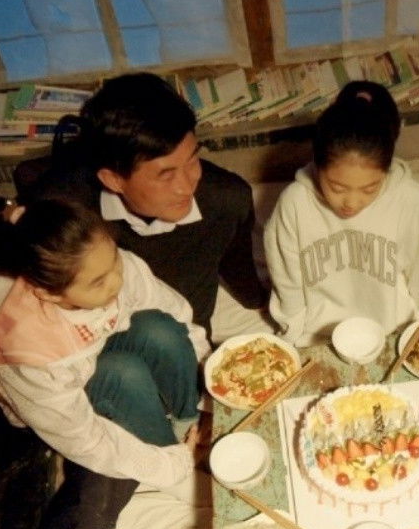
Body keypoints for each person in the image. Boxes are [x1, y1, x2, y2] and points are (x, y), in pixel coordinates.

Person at [0, 196, 209, 529]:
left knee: (158, 328)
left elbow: (173, 312)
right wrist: (171, 465)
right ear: (48, 293)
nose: (117, 280)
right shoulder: (28, 345)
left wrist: (207, 376)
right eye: (99, 282)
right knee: (124, 377)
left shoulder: (109, 268)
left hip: (94, 348)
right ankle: (172, 457)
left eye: (114, 262)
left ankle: (190, 421)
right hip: (56, 397)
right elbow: (85, 439)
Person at [22, 72, 267, 338]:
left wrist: (259, 302)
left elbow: (237, 264)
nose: (188, 186)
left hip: (187, 340)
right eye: (166, 174)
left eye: (192, 160)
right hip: (96, 345)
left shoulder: (227, 199)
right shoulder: (64, 208)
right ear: (114, 179)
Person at [264, 80, 419, 346]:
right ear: (317, 165)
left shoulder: (409, 199)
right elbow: (287, 283)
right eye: (337, 187)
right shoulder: (295, 202)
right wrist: (294, 336)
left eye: (370, 188)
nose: (352, 202)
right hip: (318, 334)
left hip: (393, 332)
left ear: (387, 170)